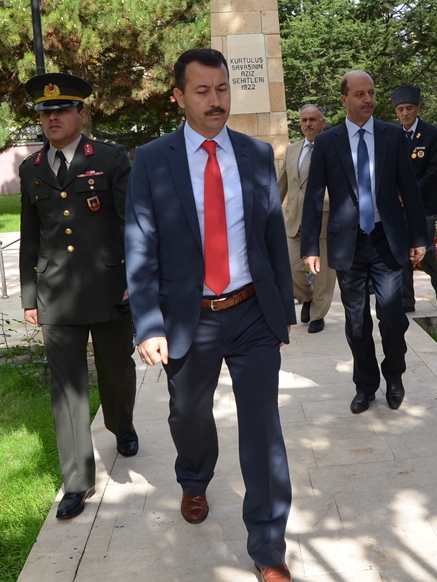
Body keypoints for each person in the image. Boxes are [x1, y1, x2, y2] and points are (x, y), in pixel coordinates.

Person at [124, 48, 294, 582]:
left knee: (263, 430)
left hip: (251, 313)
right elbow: (140, 246)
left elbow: (271, 235)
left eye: (221, 89)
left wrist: (282, 311)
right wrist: (148, 324)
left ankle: (268, 547)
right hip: (189, 318)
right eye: (202, 91)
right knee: (188, 416)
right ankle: (194, 478)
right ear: (179, 96)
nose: (215, 100)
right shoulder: (153, 159)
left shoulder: (255, 154)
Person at [18, 72, 138, 521]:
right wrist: (29, 295)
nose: (53, 118)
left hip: (108, 287)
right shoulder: (31, 168)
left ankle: (121, 424)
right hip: (55, 295)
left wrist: (134, 276)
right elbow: (31, 235)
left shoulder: (108, 158)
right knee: (66, 389)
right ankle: (77, 481)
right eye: (45, 112)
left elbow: (130, 222)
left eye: (62, 110)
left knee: (116, 371)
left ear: (80, 114)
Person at [301, 71, 427, 415]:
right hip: (348, 244)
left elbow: (409, 190)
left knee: (392, 315)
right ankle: (365, 385)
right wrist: (310, 246)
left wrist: (419, 237)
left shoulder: (391, 136)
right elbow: (314, 196)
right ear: (344, 100)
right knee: (356, 321)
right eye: (360, 94)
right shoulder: (327, 142)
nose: (368, 99)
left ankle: (394, 377)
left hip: (387, 240)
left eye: (371, 93)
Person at [278, 104, 337, 333]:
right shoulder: (292, 150)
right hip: (294, 220)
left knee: (323, 274)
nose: (308, 124)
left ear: (322, 122)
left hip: (323, 219)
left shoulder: (332, 148)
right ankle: (307, 298)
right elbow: (281, 184)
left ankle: (318, 315)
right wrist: (267, 211)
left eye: (313, 119)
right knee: (289, 266)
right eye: (304, 120)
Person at [391, 85, 437, 310]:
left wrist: (410, 194)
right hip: (399, 203)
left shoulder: (432, 132)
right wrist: (397, 193)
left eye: (409, 108)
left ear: (418, 108)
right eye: (401, 109)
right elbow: (389, 169)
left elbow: (432, 170)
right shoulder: (393, 135)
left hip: (425, 202)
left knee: (426, 249)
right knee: (404, 249)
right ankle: (407, 298)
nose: (405, 113)